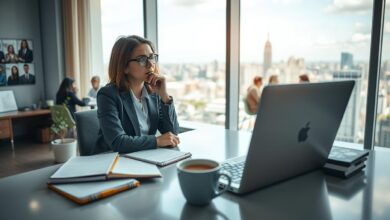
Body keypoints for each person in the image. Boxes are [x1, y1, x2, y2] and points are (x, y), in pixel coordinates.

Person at [95, 35, 180, 155]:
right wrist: (156, 141)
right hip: (111, 162)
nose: (150, 64)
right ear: (124, 67)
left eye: (151, 57)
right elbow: (117, 142)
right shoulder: (108, 95)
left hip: (142, 158)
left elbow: (172, 133)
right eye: (142, 59)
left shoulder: (153, 93)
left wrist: (164, 96)